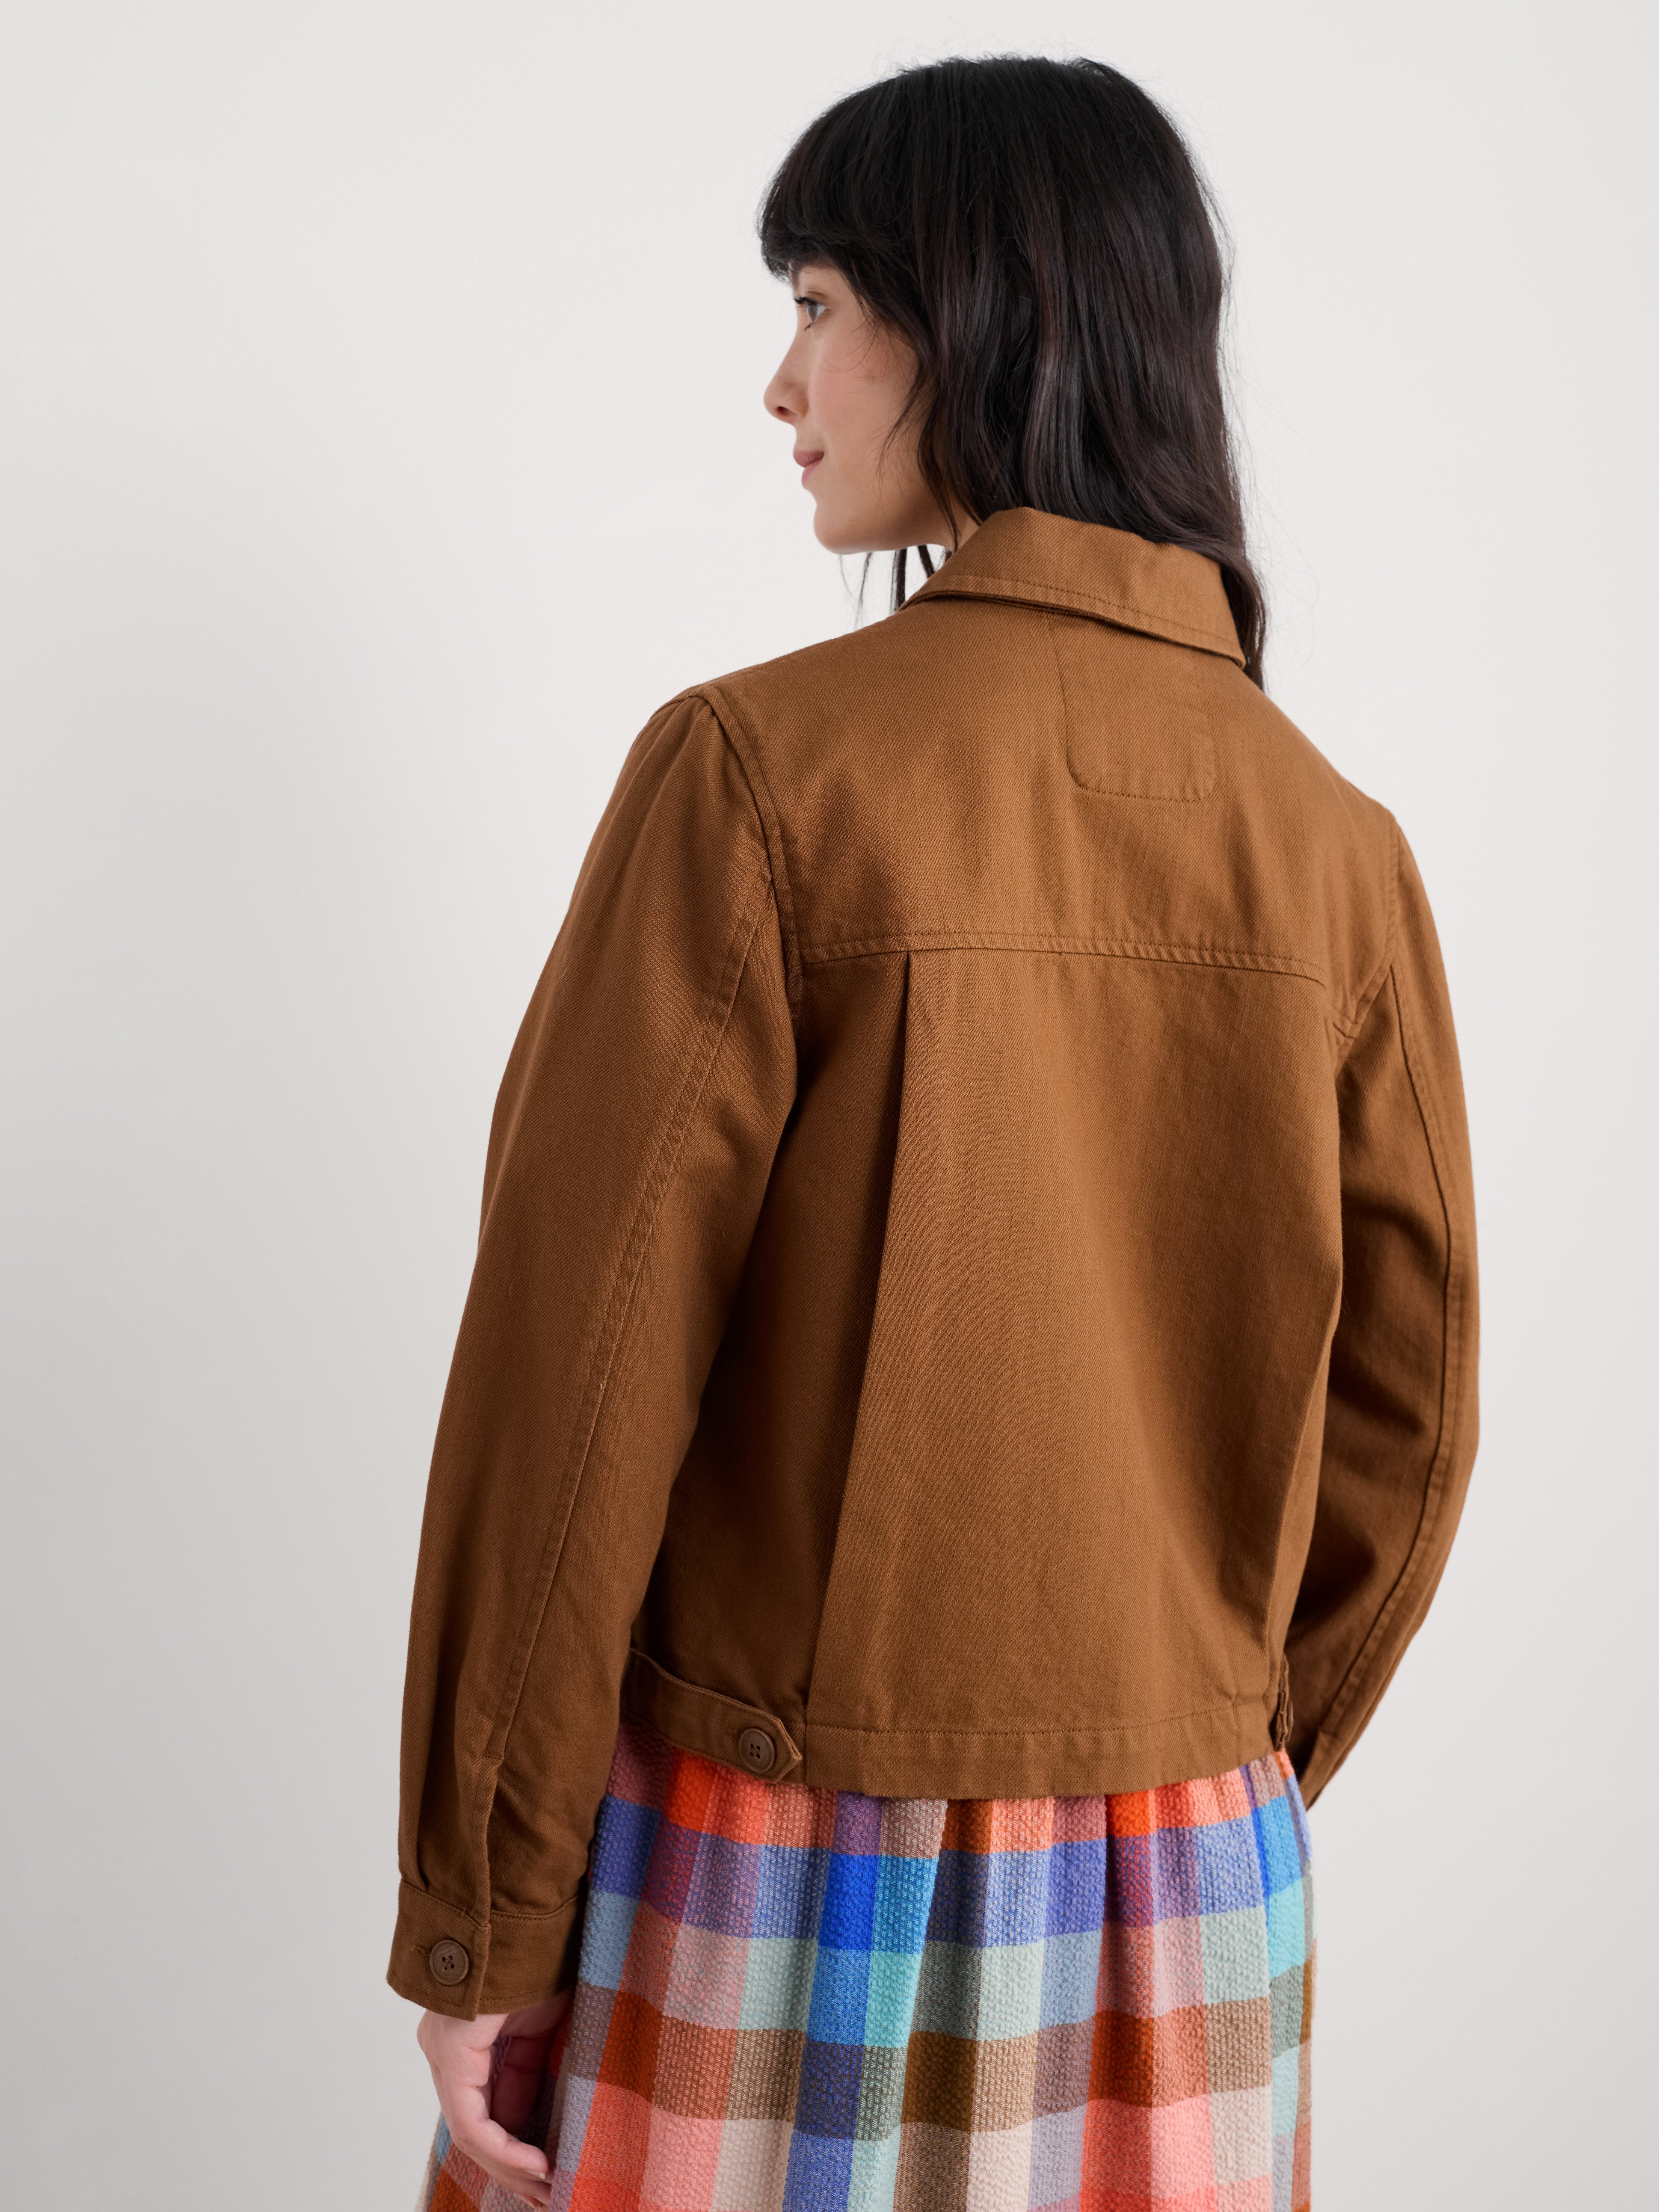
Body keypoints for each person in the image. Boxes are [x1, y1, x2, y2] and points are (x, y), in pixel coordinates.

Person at [394, 54, 1478, 2212]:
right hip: (1190, 1911)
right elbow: (1410, 1427)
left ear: (973, 318)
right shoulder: (1333, 847)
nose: (780, 382)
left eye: (817, 303)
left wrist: (486, 1914)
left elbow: (573, 1389)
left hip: (776, 1874)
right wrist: (1206, 1766)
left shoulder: (757, 775)